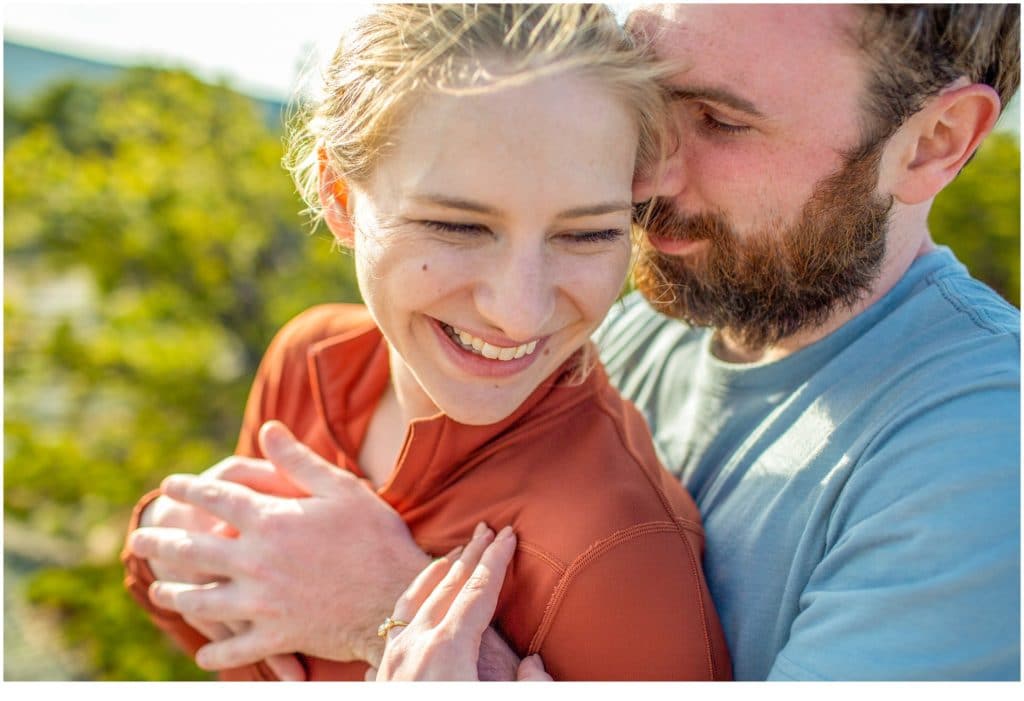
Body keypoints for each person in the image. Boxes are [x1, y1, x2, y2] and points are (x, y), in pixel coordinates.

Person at [128, 2, 1021, 681]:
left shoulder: (984, 450)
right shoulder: (632, 310)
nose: (646, 173)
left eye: (722, 121)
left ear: (936, 141)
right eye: (649, 101)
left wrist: (395, 612)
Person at [121, 3, 731, 681]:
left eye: (587, 234)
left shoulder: (617, 557)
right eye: (458, 227)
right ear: (340, 197)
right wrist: (164, 537)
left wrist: (388, 618)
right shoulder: (310, 363)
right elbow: (230, 639)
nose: (520, 313)